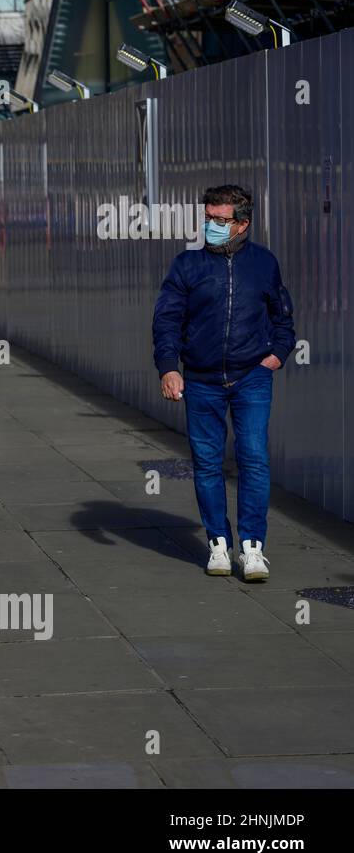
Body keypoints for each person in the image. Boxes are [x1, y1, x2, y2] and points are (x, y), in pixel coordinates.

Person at [152, 184, 295, 582]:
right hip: (200, 381)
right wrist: (169, 366)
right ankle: (218, 542)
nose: (211, 225)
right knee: (207, 463)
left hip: (252, 377)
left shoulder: (264, 264)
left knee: (253, 458)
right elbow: (166, 320)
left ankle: (252, 548)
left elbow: (283, 316)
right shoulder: (186, 266)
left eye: (220, 220)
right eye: (208, 218)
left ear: (243, 224)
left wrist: (277, 355)